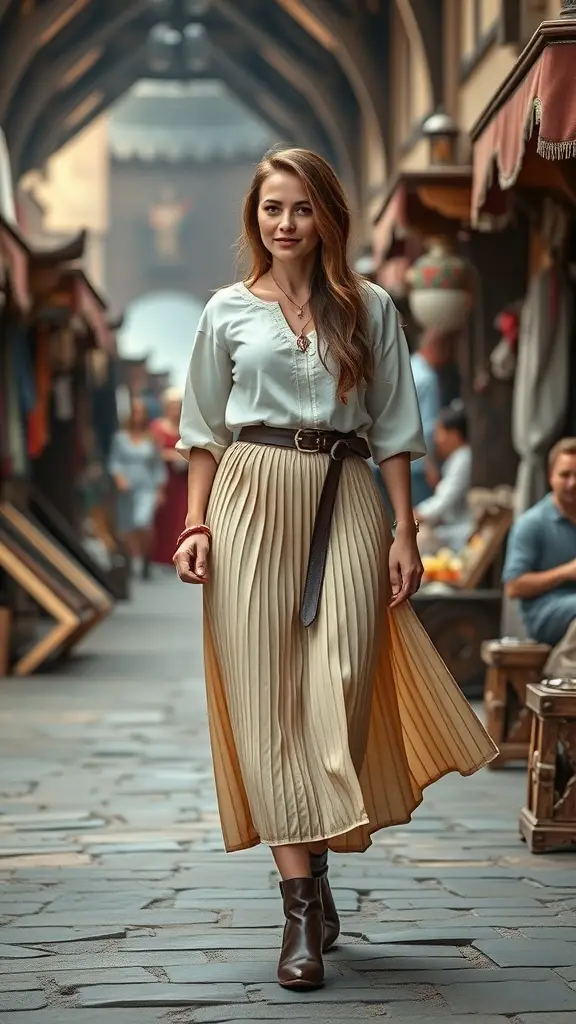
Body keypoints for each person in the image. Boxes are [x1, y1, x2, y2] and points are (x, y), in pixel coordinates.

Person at [173, 148, 497, 992]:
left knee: (342, 683)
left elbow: (395, 425)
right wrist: (196, 522)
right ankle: (300, 906)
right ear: (256, 220)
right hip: (249, 499)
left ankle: (311, 875)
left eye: (302, 209)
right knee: (267, 705)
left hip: (350, 496)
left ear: (328, 219)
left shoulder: (371, 307)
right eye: (272, 209)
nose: (286, 224)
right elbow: (204, 429)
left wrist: (405, 529)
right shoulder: (225, 312)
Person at [503, 437, 576, 678]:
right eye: (565, 475)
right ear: (550, 477)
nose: (572, 483)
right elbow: (513, 586)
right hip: (544, 614)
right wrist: (566, 572)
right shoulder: (532, 524)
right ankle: (560, 673)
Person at [108, 396, 166, 579]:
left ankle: (146, 557)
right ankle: (132, 560)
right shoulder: (120, 438)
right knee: (127, 527)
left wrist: (159, 489)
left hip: (146, 486)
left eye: (141, 412)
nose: (137, 416)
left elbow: (158, 465)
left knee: (143, 522)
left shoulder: (151, 439)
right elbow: (114, 461)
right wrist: (118, 478)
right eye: (134, 412)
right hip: (126, 488)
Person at [415, 402, 472, 555]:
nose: (437, 439)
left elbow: (444, 500)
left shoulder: (463, 459)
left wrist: (417, 514)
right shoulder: (458, 458)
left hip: (459, 532)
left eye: (440, 432)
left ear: (453, 434)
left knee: (419, 540)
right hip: (451, 529)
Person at [410, 329, 451, 505]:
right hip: (418, 463)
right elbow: (427, 427)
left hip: (390, 459)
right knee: (418, 521)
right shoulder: (427, 378)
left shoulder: (407, 366)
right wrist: (431, 466)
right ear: (434, 348)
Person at [151, 388, 189, 565]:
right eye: (173, 405)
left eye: (178, 406)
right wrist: (171, 455)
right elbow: (151, 452)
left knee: (181, 516)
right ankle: (160, 555)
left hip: (183, 480)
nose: (176, 409)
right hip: (162, 478)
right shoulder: (157, 427)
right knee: (163, 517)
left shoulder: (186, 427)